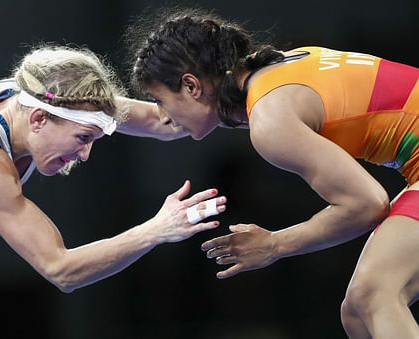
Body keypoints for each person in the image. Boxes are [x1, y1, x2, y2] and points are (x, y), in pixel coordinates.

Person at [120, 7, 419, 339]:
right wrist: (86, 108)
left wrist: (274, 244)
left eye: (159, 100)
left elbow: (367, 205)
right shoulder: (277, 71)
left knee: (374, 297)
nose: (164, 116)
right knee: (358, 312)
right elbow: (159, 123)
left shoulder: (269, 121)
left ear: (191, 85)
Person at [0, 44, 228, 338]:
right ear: (38, 120)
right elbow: (61, 270)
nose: (85, 154)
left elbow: (169, 120)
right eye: (82, 138)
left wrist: (256, 96)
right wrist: (157, 230)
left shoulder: (52, 94)